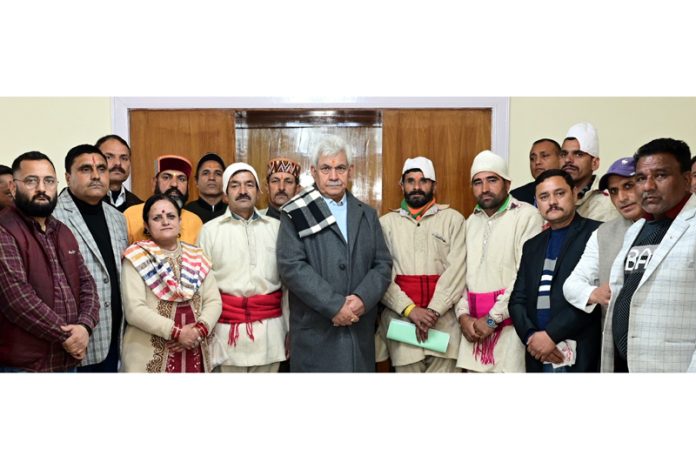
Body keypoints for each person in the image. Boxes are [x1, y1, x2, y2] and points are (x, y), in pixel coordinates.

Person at [277, 135, 392, 372]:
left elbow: (382, 265)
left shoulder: (367, 215)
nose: (333, 176)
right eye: (326, 168)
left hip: (357, 335)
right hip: (316, 334)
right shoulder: (295, 212)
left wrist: (362, 299)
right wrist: (334, 306)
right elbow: (291, 267)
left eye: (340, 168)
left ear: (350, 171)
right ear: (314, 171)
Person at [0, 151, 99, 372]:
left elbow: (88, 286)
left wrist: (84, 326)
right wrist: (70, 337)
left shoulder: (63, 231)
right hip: (25, 367)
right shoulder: (4, 229)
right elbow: (18, 300)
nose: (42, 189)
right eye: (31, 181)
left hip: (66, 362)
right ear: (14, 188)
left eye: (49, 181)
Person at [602, 138, 696, 372]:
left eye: (661, 175)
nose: (647, 186)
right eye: (641, 178)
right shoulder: (636, 229)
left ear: (686, 179)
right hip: (625, 366)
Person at [456, 151, 543, 372]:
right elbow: (459, 275)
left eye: (492, 180)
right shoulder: (470, 222)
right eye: (478, 182)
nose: (484, 188)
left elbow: (524, 275)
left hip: (509, 331)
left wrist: (493, 319)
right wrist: (463, 315)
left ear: (507, 183)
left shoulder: (526, 216)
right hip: (473, 333)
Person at [509, 169, 602, 372]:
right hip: (538, 354)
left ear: (575, 193)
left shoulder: (598, 233)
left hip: (581, 351)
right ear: (537, 202)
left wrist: (551, 335)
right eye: (544, 196)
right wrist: (531, 337)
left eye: (559, 193)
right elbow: (517, 300)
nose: (552, 201)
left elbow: (595, 296)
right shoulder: (532, 245)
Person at [378, 156, 466, 372]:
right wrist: (410, 310)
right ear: (402, 185)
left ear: (434, 186)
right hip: (402, 323)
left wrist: (434, 311)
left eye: (423, 180)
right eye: (410, 180)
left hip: (444, 324)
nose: (416, 187)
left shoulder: (453, 220)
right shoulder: (385, 224)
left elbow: (458, 271)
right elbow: (380, 275)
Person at [198, 162, 287, 372]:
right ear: (226, 194)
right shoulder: (209, 231)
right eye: (235, 185)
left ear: (258, 191)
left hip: (271, 332)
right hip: (224, 333)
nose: (243, 191)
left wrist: (289, 330)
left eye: (249, 185)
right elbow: (200, 287)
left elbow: (288, 286)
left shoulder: (277, 229)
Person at [120, 194, 221, 372]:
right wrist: (177, 333)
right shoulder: (135, 257)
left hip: (194, 349)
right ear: (146, 225)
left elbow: (214, 301)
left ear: (180, 221)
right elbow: (134, 310)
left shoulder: (196, 256)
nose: (165, 221)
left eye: (171, 216)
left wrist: (197, 331)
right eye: (157, 218)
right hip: (147, 355)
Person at [53, 144, 129, 372]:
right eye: (86, 169)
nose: (96, 176)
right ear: (68, 176)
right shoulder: (53, 216)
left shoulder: (117, 218)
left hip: (115, 336)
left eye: (102, 169)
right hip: (74, 339)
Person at [563, 157, 644, 328]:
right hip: (615, 339)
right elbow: (571, 285)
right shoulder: (603, 233)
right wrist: (594, 293)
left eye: (628, 186)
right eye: (614, 191)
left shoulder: (672, 226)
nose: (621, 198)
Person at [123, 154, 203, 244]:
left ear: (188, 187)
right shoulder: (130, 215)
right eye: (166, 177)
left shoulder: (195, 221)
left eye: (181, 179)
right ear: (154, 183)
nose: (174, 184)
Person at [560, 122, 618, 222]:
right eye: (564, 154)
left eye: (578, 154)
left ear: (594, 163)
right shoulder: (553, 196)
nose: (568, 160)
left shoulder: (607, 203)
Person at [96, 134, 142, 212]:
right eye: (109, 157)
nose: (118, 163)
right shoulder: (83, 201)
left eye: (124, 158)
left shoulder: (140, 208)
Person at [510, 138, 562, 205]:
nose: (537, 162)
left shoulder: (570, 191)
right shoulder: (516, 197)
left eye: (544, 156)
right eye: (532, 158)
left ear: (561, 159)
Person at [184, 152, 228, 223]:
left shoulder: (233, 213)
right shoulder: (186, 213)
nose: (212, 177)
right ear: (196, 181)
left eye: (218, 173)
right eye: (205, 173)